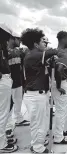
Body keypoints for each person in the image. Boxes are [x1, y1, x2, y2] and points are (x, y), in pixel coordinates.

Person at [21, 28, 67, 153]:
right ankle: (37, 148)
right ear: (35, 44)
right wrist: (61, 54)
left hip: (39, 94)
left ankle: (37, 142)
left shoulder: (35, 55)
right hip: (36, 95)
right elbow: (55, 51)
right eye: (43, 42)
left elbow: (47, 67)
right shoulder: (34, 55)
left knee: (40, 124)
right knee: (39, 125)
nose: (45, 45)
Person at [5, 31, 30, 139]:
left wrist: (24, 82)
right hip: (8, 83)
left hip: (18, 82)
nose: (20, 41)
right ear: (12, 39)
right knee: (8, 107)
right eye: (18, 39)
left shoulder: (19, 52)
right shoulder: (4, 51)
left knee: (18, 102)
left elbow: (22, 68)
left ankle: (19, 119)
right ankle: (7, 127)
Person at [0, 23, 18, 153]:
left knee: (4, 111)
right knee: (2, 113)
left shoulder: (2, 47)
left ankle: (3, 138)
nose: (9, 39)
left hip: (5, 80)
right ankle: (1, 144)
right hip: (2, 81)